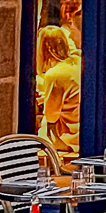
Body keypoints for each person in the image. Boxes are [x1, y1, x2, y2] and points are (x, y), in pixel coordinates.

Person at [36, 24, 82, 155]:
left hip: (69, 137)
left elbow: (51, 116)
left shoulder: (55, 74)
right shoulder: (78, 62)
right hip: (83, 129)